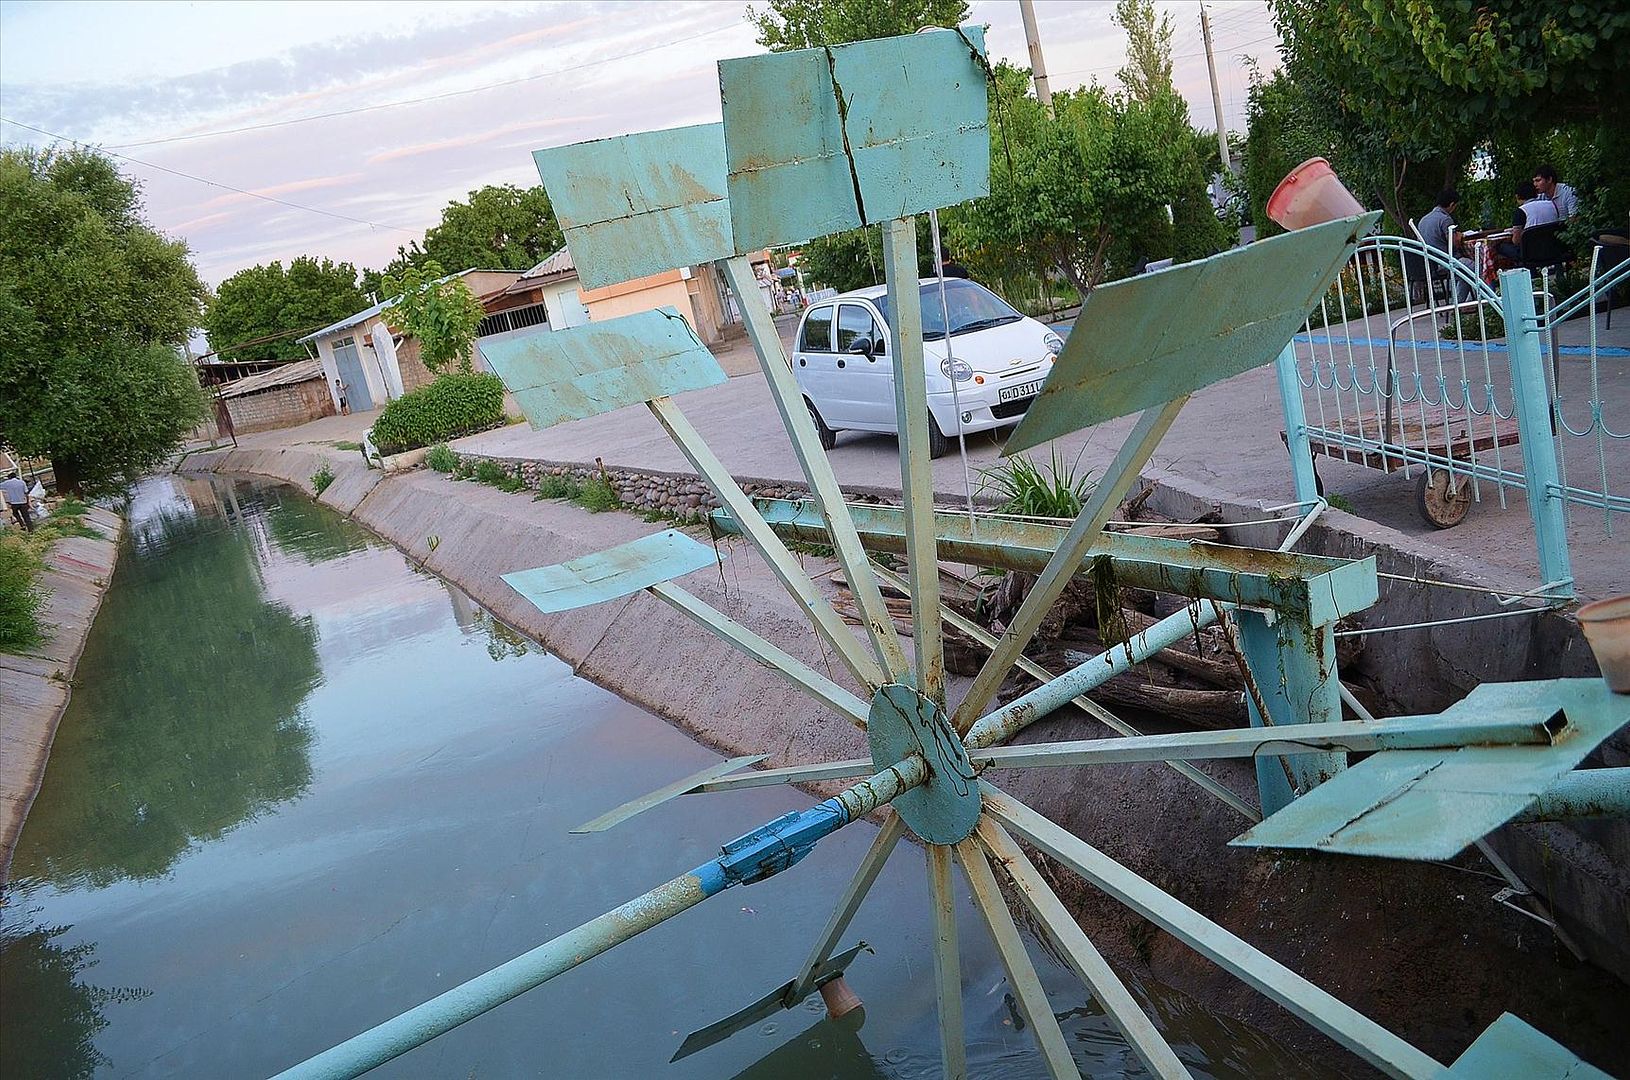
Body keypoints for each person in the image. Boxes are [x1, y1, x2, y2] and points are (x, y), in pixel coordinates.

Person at [1418, 188, 1475, 303]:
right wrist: (1459, 236)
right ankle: (1487, 301)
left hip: (1433, 264)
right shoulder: (1445, 220)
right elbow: (1454, 243)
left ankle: (1459, 305)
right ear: (1452, 204)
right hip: (1448, 262)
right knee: (1477, 267)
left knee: (1466, 270)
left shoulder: (1422, 221)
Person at [1496, 180, 1558, 263]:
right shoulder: (1551, 204)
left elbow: (1516, 241)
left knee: (1501, 247)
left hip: (1531, 254)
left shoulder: (1521, 211)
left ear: (1517, 197)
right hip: (1554, 249)